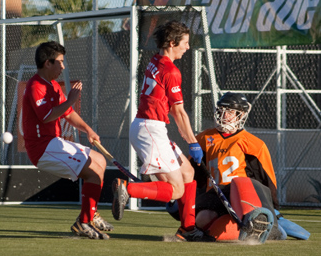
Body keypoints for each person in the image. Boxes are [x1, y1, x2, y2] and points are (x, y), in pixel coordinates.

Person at [112, 20, 214, 242]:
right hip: (150, 129)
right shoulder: (171, 70)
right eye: (185, 43)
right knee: (176, 190)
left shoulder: (155, 60)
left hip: (149, 128)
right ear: (171, 42)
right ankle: (127, 190)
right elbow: (179, 113)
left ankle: (188, 229)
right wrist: (193, 142)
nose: (188, 47)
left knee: (187, 173)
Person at [22, 41, 112, 240]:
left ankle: (90, 213)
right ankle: (84, 222)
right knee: (93, 173)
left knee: (101, 161)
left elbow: (68, 113)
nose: (63, 66)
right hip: (42, 148)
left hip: (53, 143)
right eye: (60, 62)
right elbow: (47, 116)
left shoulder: (53, 85)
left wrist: (88, 130)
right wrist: (71, 99)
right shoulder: (36, 85)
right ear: (47, 63)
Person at [190, 92, 279, 236]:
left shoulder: (254, 144)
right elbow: (191, 172)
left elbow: (267, 180)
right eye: (222, 111)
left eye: (230, 112)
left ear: (241, 115)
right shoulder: (204, 138)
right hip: (215, 195)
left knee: (250, 210)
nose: (225, 116)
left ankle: (269, 225)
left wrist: (273, 207)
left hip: (240, 195)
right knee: (202, 219)